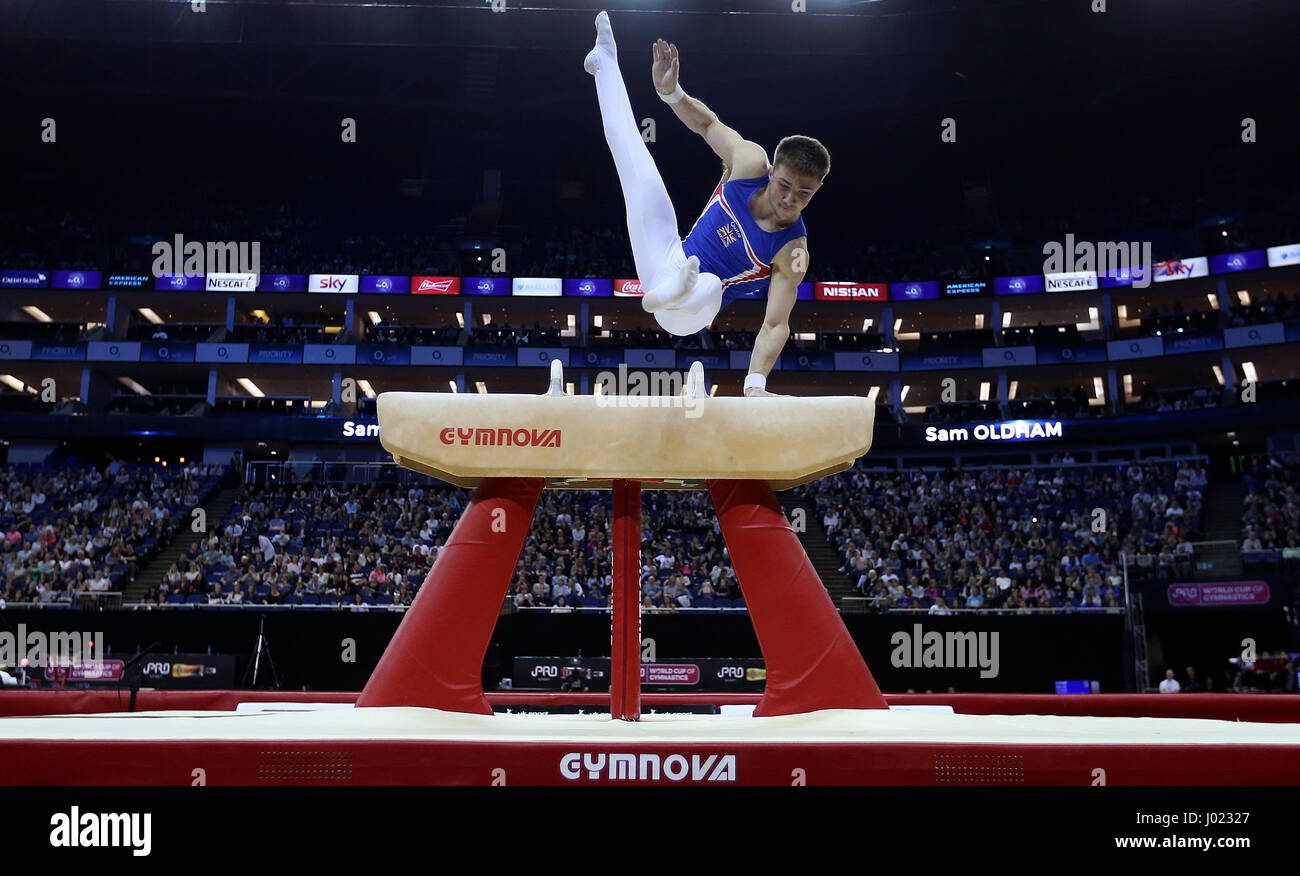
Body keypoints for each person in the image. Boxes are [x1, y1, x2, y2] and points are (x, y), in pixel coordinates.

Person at [584, 11, 826, 397]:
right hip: (668, 258)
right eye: (785, 185)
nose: (790, 199)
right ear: (771, 170)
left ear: (816, 190)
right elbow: (707, 125)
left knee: (709, 284)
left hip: (692, 313)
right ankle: (606, 62)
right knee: (637, 167)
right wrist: (671, 92)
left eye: (804, 193)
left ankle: (673, 293)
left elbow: (776, 323)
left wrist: (755, 384)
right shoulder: (748, 163)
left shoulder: (792, 251)